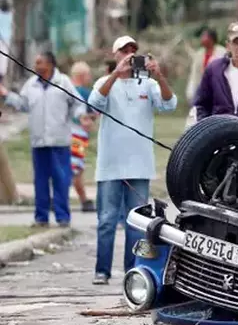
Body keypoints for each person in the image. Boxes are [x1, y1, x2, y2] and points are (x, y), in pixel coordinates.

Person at [87, 35, 177, 284]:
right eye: (123, 51)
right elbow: (94, 103)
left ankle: (131, 270)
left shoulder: (147, 85)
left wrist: (159, 76)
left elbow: (170, 105)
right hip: (109, 166)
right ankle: (102, 271)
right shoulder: (105, 81)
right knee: (106, 220)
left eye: (133, 51)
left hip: (139, 165)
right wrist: (116, 74)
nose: (129, 55)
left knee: (136, 223)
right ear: (115, 55)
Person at [0, 52, 84, 228]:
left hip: (59, 142)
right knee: (40, 181)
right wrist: (6, 94)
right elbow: (22, 104)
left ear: (50, 64)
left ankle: (62, 217)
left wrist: (80, 116)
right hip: (38, 142)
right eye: (36, 63)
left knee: (61, 180)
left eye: (40, 63)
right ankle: (41, 217)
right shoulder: (31, 85)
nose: (37, 66)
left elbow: (77, 103)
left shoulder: (63, 82)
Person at [69, 61, 96, 213]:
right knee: (76, 169)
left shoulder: (66, 89)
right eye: (88, 75)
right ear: (82, 75)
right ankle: (84, 200)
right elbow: (96, 112)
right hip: (78, 136)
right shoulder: (85, 93)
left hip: (63, 134)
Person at [185, 27, 226, 126]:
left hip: (218, 91)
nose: (202, 39)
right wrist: (190, 91)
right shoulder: (199, 54)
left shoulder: (222, 52)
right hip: (201, 90)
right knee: (196, 117)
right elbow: (194, 75)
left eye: (204, 36)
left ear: (211, 38)